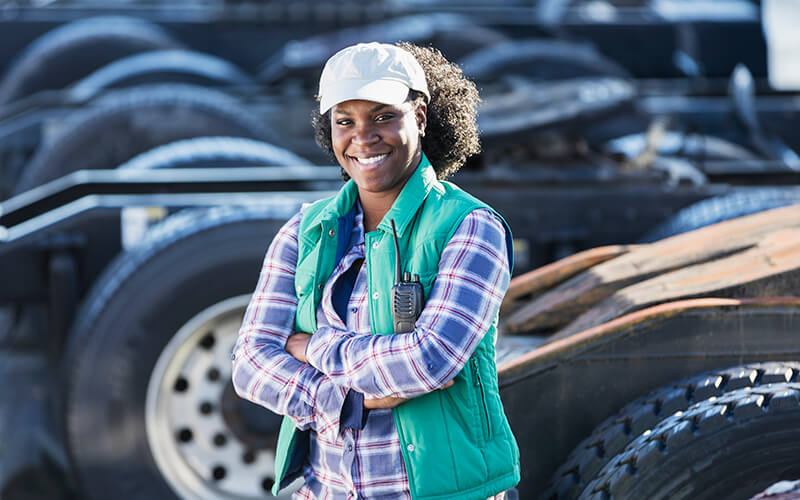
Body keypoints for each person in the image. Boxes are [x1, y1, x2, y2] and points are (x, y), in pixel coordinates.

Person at [232, 41, 519, 500]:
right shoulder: (303, 231)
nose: (363, 137)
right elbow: (250, 364)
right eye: (345, 121)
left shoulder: (470, 227)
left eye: (384, 116)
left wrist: (314, 347)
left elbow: (428, 362)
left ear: (420, 117)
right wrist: (346, 402)